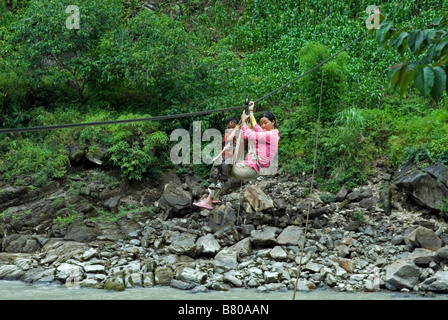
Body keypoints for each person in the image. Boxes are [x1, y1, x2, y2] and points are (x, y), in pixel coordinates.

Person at [193, 102, 279, 210]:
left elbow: (250, 134)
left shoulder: (272, 135)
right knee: (223, 168)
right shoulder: (267, 132)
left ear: (273, 122)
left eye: (266, 123)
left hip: (250, 168)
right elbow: (256, 127)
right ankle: (214, 197)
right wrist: (251, 111)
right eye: (262, 123)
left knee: (222, 165)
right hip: (251, 167)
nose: (263, 125)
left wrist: (243, 122)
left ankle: (209, 200)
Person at [193, 116, 240, 209]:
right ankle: (213, 184)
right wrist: (235, 130)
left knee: (225, 169)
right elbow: (229, 139)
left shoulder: (239, 137)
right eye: (229, 128)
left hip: (231, 159)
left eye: (233, 127)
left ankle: (217, 191)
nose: (230, 129)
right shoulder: (227, 135)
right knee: (216, 167)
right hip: (223, 156)